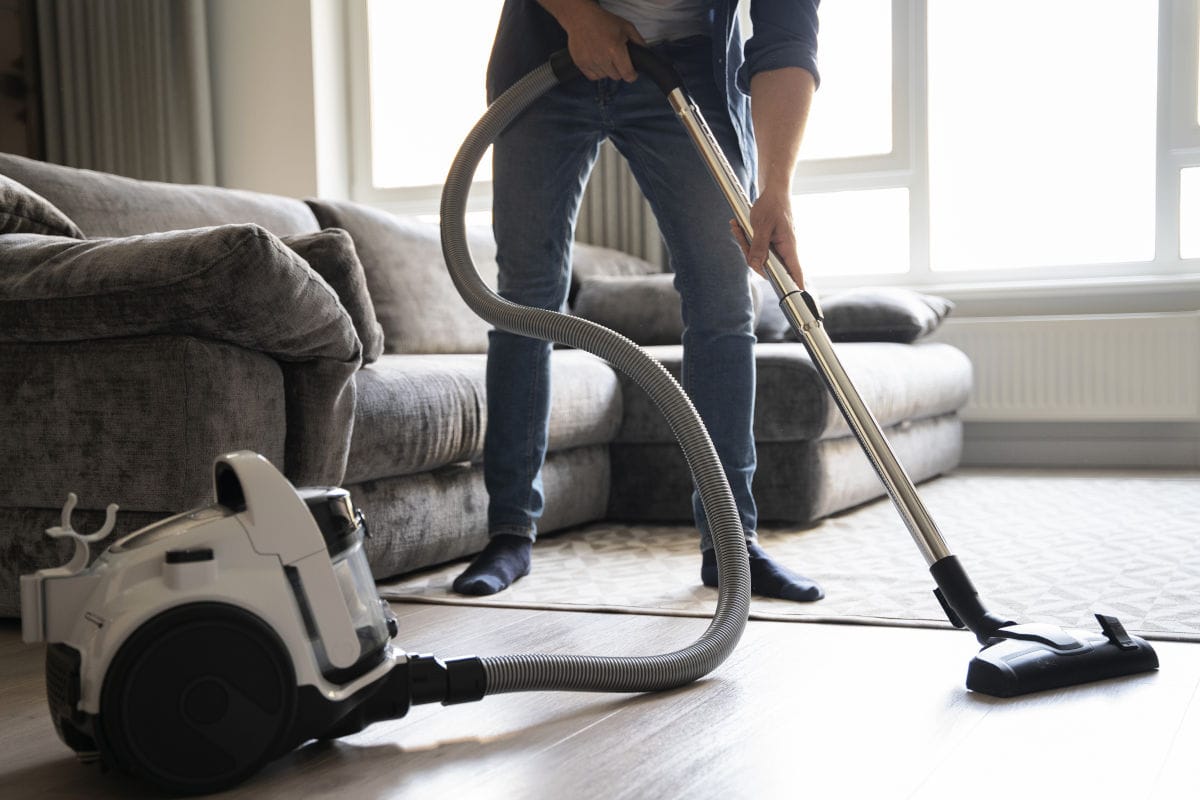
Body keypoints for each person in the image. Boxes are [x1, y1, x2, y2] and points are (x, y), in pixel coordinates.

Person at [452, 0, 825, 602]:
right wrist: (578, 17)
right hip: (545, 58)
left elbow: (786, 39)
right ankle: (509, 532)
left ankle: (732, 544)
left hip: (687, 68)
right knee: (526, 297)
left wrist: (775, 188)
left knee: (722, 297)